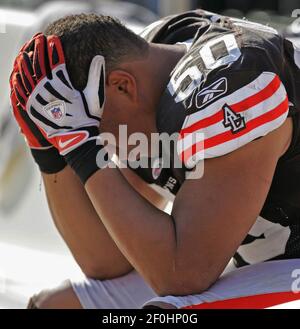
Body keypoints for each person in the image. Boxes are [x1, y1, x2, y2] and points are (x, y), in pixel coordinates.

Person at [10, 10, 300, 308]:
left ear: (123, 86)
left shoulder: (233, 84)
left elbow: (183, 275)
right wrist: (48, 151)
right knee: (55, 305)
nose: (104, 149)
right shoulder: (146, 63)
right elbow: (106, 260)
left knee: (166, 314)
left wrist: (80, 145)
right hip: (259, 264)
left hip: (291, 264)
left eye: (93, 130)